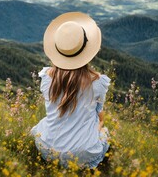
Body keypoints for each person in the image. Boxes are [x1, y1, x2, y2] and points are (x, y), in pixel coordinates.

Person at [30, 12, 110, 169]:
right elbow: (98, 112)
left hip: (48, 148)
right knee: (103, 128)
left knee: (42, 125)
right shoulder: (98, 82)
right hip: (82, 154)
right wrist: (99, 124)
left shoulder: (47, 78)